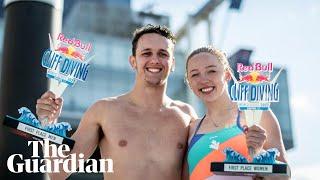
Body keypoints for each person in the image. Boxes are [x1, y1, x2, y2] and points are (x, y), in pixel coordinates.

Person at [36, 24, 198, 180]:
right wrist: (47, 123)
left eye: (163, 54)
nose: (155, 60)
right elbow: (59, 172)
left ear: (173, 63)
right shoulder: (104, 111)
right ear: (133, 61)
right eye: (146, 53)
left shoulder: (186, 115)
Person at [184, 46, 289, 180]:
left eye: (211, 71)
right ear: (189, 83)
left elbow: (285, 176)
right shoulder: (191, 130)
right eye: (194, 74)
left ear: (227, 75)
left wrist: (259, 153)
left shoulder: (256, 115)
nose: (203, 79)